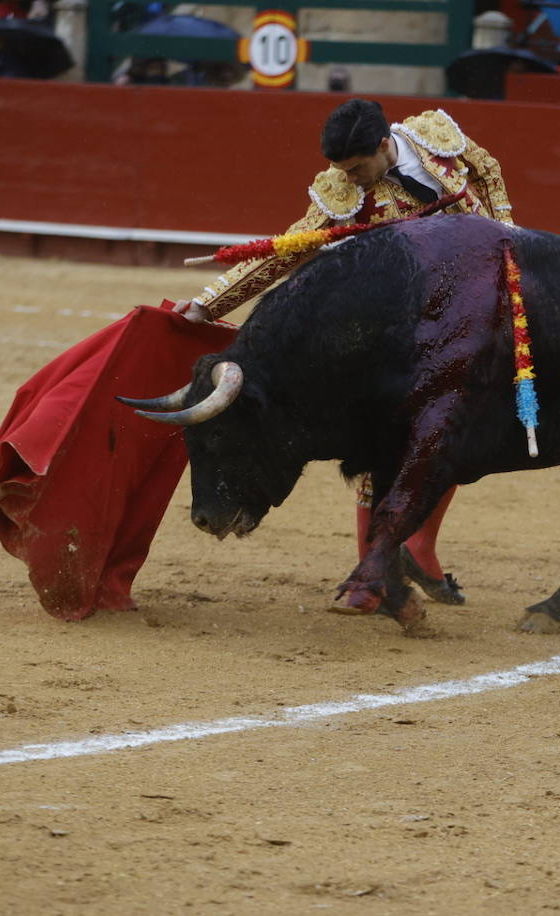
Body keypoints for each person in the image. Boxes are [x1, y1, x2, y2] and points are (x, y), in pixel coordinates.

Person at [173, 99, 516, 607]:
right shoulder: (342, 192)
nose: (352, 180)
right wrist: (207, 304)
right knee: (382, 445)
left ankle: (417, 547)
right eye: (343, 171)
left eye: (358, 168)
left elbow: (487, 171)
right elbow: (291, 247)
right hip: (400, 336)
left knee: (456, 430)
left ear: (384, 145)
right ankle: (371, 580)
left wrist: (509, 242)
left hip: (473, 313)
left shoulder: (436, 139)